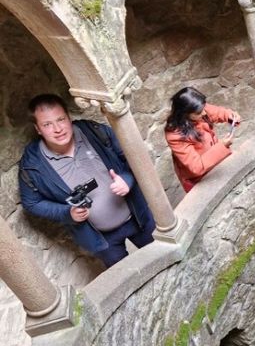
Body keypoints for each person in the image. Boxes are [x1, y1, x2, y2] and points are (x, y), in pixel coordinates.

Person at [19, 94, 155, 268]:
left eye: (60, 119)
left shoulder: (95, 133)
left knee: (165, 254)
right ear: (38, 129)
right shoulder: (33, 165)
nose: (57, 129)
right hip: (103, 241)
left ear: (69, 117)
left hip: (137, 217)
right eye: (47, 124)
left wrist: (126, 180)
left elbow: (133, 157)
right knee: (129, 279)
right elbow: (31, 203)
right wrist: (67, 213)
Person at [164, 87, 241, 192]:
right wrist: (222, 146)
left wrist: (229, 116)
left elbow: (216, 112)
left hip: (214, 162)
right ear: (185, 114)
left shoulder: (198, 109)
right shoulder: (175, 135)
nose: (204, 113)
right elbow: (196, 167)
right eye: (200, 112)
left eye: (204, 108)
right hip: (198, 179)